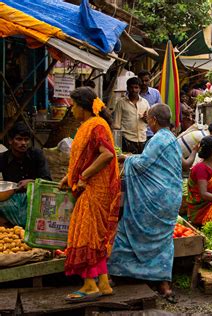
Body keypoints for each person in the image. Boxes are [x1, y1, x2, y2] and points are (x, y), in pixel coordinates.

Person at [108, 104, 182, 303]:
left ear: (154, 121)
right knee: (163, 242)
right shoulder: (171, 139)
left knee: (127, 230)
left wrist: (125, 159)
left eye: (148, 118)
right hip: (170, 197)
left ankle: (113, 274)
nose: (147, 121)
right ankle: (164, 285)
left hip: (154, 199)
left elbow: (142, 164)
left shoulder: (158, 139)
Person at [58, 87, 120, 302]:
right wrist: (70, 176)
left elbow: (107, 155)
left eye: (73, 105)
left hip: (95, 189)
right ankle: (103, 283)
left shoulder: (96, 125)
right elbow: (86, 156)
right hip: (90, 187)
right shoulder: (89, 125)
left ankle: (89, 285)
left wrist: (83, 176)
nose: (72, 110)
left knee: (85, 234)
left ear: (83, 106)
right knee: (93, 237)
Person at [0, 122, 52, 227]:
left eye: (26, 139)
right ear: (10, 141)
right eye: (19, 139)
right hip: (11, 199)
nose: (23, 143)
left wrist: (32, 182)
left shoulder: (37, 155)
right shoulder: (2, 158)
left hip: (33, 196)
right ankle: (7, 226)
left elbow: (47, 180)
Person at [113, 77, 150, 154]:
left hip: (142, 140)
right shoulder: (121, 103)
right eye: (131, 87)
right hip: (127, 140)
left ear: (139, 89)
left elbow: (149, 121)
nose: (134, 90)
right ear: (127, 88)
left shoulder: (145, 102)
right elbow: (116, 125)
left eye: (136, 88)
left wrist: (145, 119)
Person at [137, 70, 162, 140]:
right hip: (135, 132)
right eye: (142, 81)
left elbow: (159, 111)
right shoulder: (132, 93)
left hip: (151, 132)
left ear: (150, 80)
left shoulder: (155, 93)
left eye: (146, 80)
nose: (144, 83)